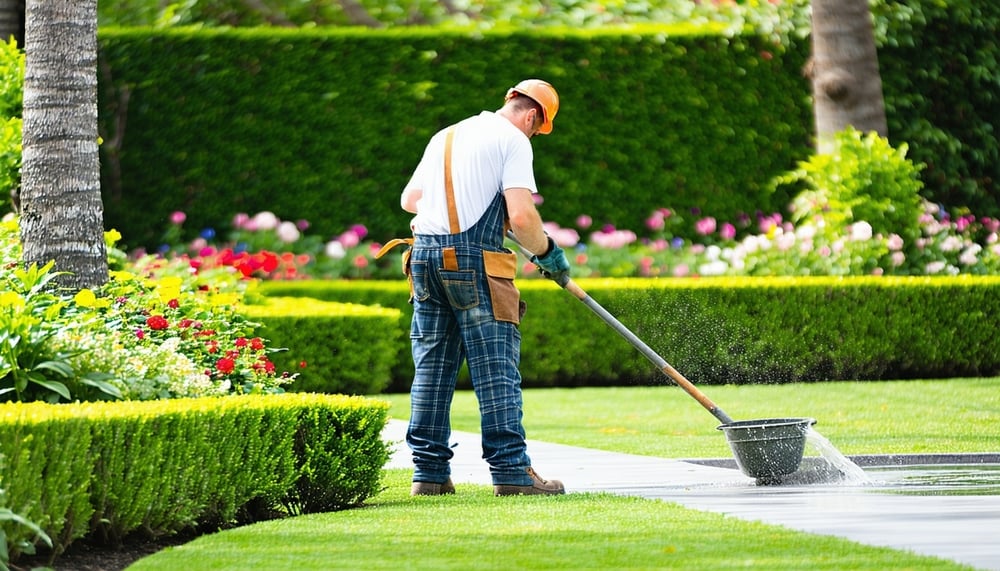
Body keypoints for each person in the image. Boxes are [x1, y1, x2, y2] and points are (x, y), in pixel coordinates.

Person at [388, 79, 571, 496]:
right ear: (531, 116)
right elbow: (522, 217)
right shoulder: (514, 140)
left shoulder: (447, 134)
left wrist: (440, 216)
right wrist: (547, 253)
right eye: (536, 130)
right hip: (474, 264)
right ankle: (511, 472)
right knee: (495, 368)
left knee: (432, 370)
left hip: (425, 260)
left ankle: (429, 475)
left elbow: (410, 199)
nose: (532, 136)